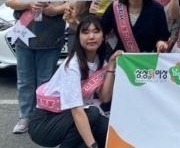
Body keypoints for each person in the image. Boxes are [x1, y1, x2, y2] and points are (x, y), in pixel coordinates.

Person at [28, 16, 122, 148]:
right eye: (86, 32)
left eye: (96, 31)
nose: (91, 36)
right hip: (45, 122)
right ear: (78, 37)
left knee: (104, 127)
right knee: (92, 116)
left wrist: (111, 66)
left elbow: (104, 97)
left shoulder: (100, 61)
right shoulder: (72, 65)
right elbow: (77, 111)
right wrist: (93, 145)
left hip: (69, 116)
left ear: (103, 37)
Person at [6, 0, 68, 134]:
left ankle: (42, 116)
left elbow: (74, 2)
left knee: (46, 79)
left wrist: (55, 10)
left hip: (51, 37)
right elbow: (9, 0)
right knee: (25, 79)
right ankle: (25, 116)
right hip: (24, 35)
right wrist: (28, 3)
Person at [101, 0, 170, 53]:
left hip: (148, 59)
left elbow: (163, 36)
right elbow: (101, 32)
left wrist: (161, 43)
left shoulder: (157, 9)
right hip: (122, 58)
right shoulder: (115, 8)